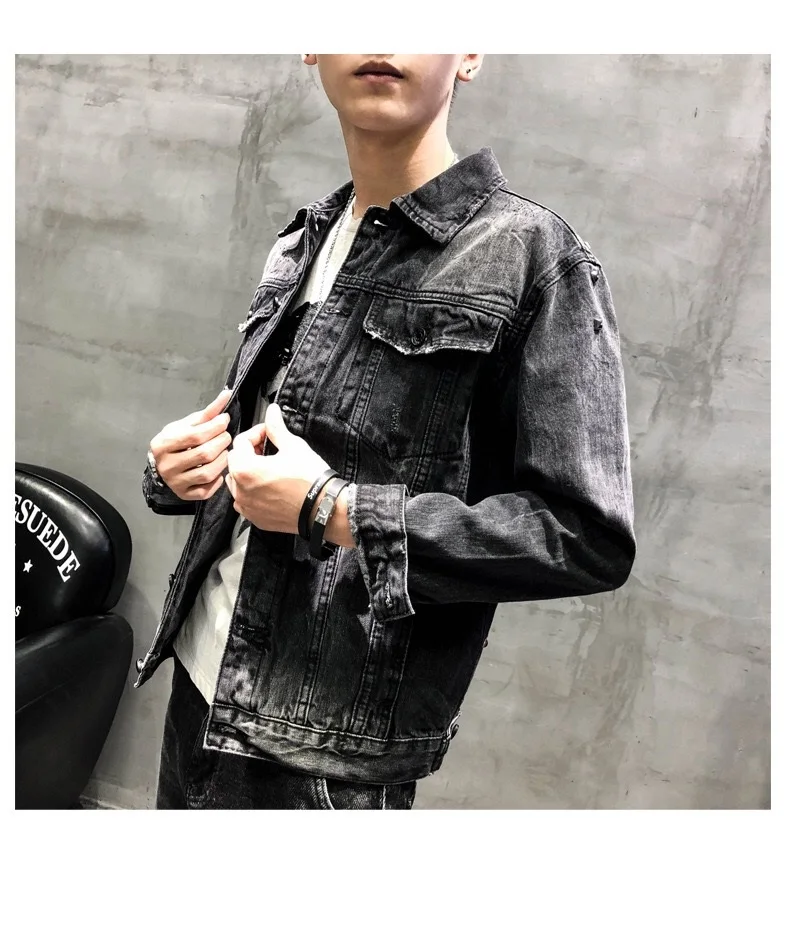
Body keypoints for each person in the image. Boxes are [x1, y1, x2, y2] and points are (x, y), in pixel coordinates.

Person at [137, 54, 636, 810]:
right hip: (197, 689)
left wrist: (335, 509)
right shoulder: (303, 240)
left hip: (325, 761)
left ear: (469, 54)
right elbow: (269, 455)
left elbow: (583, 536)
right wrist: (180, 472)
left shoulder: (534, 259)